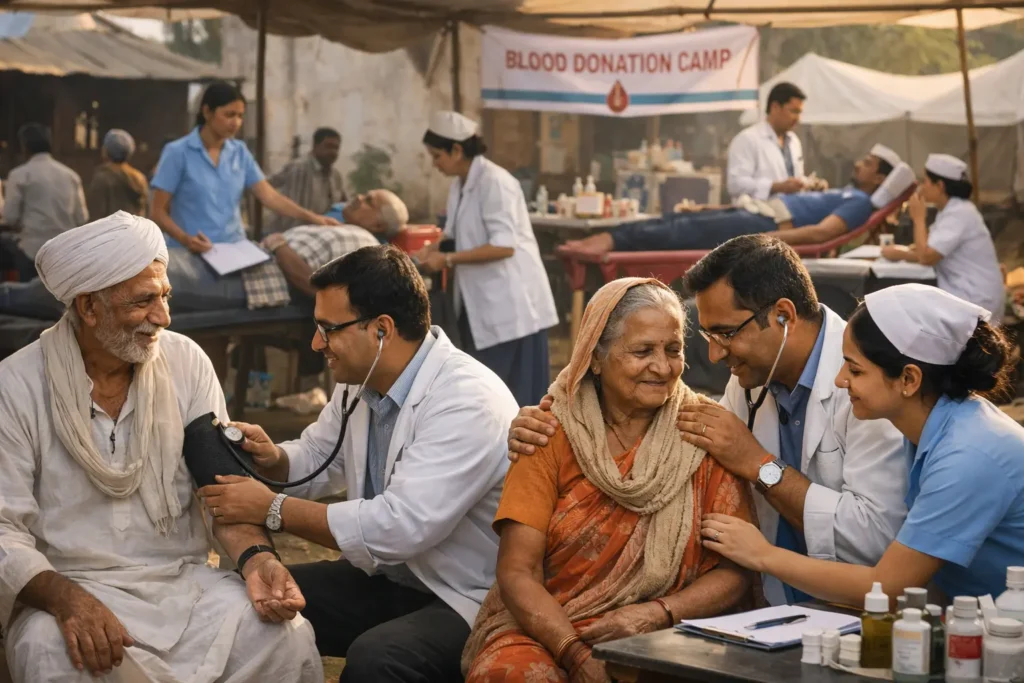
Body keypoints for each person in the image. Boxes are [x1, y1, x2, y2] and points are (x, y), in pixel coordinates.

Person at [0, 213, 321, 682]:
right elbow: (3, 528)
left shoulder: (186, 362)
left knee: (285, 638)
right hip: (69, 588)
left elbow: (222, 491)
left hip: (184, 584)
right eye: (144, 301)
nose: (163, 317)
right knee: (56, 653)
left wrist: (259, 561)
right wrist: (66, 601)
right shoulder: (16, 384)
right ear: (89, 307)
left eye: (165, 297)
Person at [507, 236, 908, 606]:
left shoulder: (868, 382)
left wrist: (761, 466)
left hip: (858, 611)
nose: (715, 357)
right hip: (774, 610)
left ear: (783, 316)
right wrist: (552, 415)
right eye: (707, 338)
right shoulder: (751, 379)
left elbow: (876, 541)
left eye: (726, 334)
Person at [195, 245, 520, 682]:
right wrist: (272, 459)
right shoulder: (361, 381)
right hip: (395, 579)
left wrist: (270, 509)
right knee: (244, 600)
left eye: (328, 329)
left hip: (465, 594)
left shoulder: (467, 399)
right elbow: (317, 457)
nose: (316, 344)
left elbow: (399, 528)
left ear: (382, 329)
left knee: (378, 660)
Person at [462, 278, 757, 682]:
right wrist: (574, 652)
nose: (662, 366)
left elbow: (735, 571)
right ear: (595, 358)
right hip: (555, 625)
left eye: (673, 350)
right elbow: (518, 572)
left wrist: (657, 614)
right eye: (642, 351)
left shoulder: (702, 432)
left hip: (674, 630)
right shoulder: (549, 432)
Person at [703, 284, 1024, 603]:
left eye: (855, 369)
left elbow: (887, 586)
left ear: (909, 380)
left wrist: (762, 555)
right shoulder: (938, 432)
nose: (840, 380)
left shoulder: (967, 455)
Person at [415, 111, 558, 406]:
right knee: (486, 391)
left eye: (437, 155)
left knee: (518, 398)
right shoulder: (459, 184)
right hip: (482, 303)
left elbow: (504, 246)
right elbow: (452, 231)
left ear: (456, 150)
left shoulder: (496, 182)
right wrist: (431, 249)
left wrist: (448, 260)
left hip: (513, 306)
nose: (435, 164)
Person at [564, 145, 902, 257]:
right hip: (757, 212)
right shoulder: (845, 191)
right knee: (679, 219)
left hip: (763, 224)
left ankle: (609, 240)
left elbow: (819, 234)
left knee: (682, 230)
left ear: (879, 179)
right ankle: (610, 237)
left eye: (868, 164)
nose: (859, 164)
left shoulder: (858, 202)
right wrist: (711, 208)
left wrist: (761, 241)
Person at [150, 81, 338, 254]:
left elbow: (270, 196)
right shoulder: (178, 152)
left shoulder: (239, 152)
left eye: (240, 116)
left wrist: (315, 218)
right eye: (229, 115)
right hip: (190, 253)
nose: (236, 122)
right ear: (207, 112)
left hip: (233, 250)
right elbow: (157, 212)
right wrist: (186, 239)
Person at [882, 154, 1004, 320]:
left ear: (939, 185)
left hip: (974, 298)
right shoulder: (950, 211)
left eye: (925, 181)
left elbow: (926, 256)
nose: (921, 187)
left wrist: (918, 219)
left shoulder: (959, 213)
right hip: (966, 295)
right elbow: (924, 248)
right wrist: (902, 253)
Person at [0, 123, 88, 279]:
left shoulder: (19, 175)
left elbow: (10, 217)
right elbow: (82, 218)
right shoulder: (71, 175)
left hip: (31, 253)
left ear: (25, 146)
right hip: (65, 253)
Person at [727, 82, 809, 202]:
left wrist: (809, 184)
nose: (798, 119)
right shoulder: (748, 139)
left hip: (790, 214)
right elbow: (735, 184)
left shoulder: (794, 141)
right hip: (756, 216)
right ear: (775, 107)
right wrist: (775, 187)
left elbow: (794, 179)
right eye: (793, 111)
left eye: (800, 112)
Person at [266, 127, 347, 234]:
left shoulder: (335, 176)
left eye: (336, 148)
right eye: (328, 146)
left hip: (319, 235)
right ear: (315, 146)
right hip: (290, 234)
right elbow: (267, 186)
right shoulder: (299, 168)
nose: (333, 152)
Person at [86, 129, 149, 219]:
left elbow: (95, 214)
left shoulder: (102, 178)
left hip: (109, 231)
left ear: (105, 151)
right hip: (134, 231)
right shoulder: (139, 178)